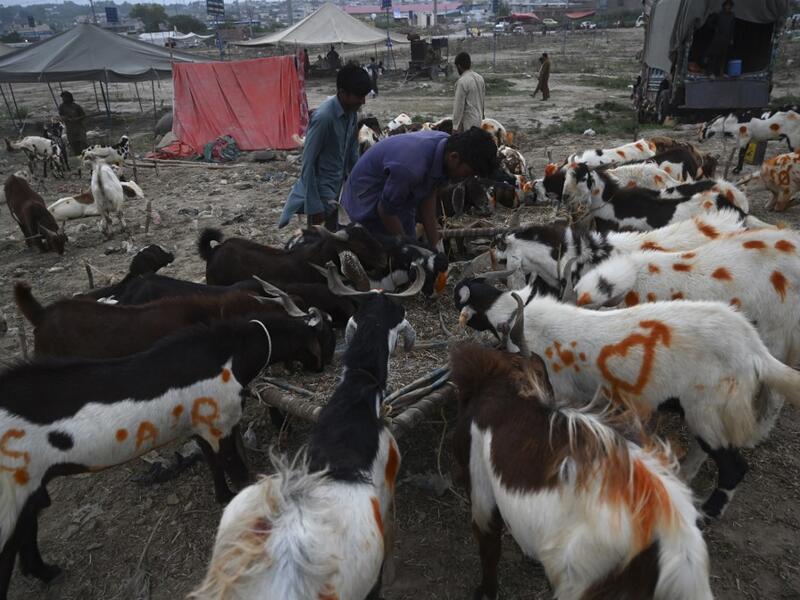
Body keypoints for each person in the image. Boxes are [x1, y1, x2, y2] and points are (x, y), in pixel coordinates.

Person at [340, 127, 498, 249]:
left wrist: (436, 246)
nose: (467, 178)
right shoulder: (411, 168)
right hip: (365, 204)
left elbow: (428, 196)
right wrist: (408, 250)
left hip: (399, 200)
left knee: (414, 250)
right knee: (384, 262)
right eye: (468, 172)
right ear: (454, 157)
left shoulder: (445, 146)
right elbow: (385, 210)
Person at [278, 64, 372, 230]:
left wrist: (359, 186)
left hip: (339, 189)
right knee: (318, 245)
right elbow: (307, 163)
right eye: (358, 96)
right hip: (321, 192)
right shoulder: (324, 118)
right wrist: (315, 206)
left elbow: (352, 153)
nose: (362, 102)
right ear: (343, 93)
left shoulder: (351, 113)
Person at [452, 52, 485, 133]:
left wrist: (455, 127)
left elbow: (459, 106)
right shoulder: (480, 78)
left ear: (459, 66)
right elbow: (482, 100)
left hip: (468, 123)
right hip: (480, 120)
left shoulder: (462, 81)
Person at [706, 0, 735, 77]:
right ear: (724, 6)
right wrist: (715, 28)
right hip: (718, 38)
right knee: (714, 55)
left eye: (730, 5)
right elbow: (709, 22)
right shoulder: (718, 14)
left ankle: (720, 73)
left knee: (723, 56)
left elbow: (732, 27)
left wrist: (731, 38)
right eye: (727, 5)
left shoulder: (732, 15)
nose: (728, 7)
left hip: (726, 39)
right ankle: (710, 73)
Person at [57, 91, 87, 156]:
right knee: (73, 144)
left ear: (69, 97)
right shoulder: (62, 107)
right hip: (70, 128)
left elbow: (83, 115)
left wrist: (77, 119)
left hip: (79, 127)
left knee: (82, 143)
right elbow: (61, 116)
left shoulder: (76, 106)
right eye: (62, 98)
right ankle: (78, 157)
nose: (63, 99)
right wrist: (65, 118)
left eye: (65, 97)